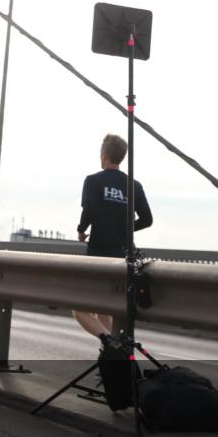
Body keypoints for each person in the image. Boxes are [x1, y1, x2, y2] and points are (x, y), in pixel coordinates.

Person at [73, 133, 153, 343]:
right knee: (105, 309)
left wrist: (81, 230)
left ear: (104, 154)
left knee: (80, 309)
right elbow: (147, 219)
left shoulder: (93, 181)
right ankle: (116, 351)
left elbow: (89, 209)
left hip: (99, 255)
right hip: (124, 257)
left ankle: (109, 342)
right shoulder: (134, 186)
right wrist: (125, 228)